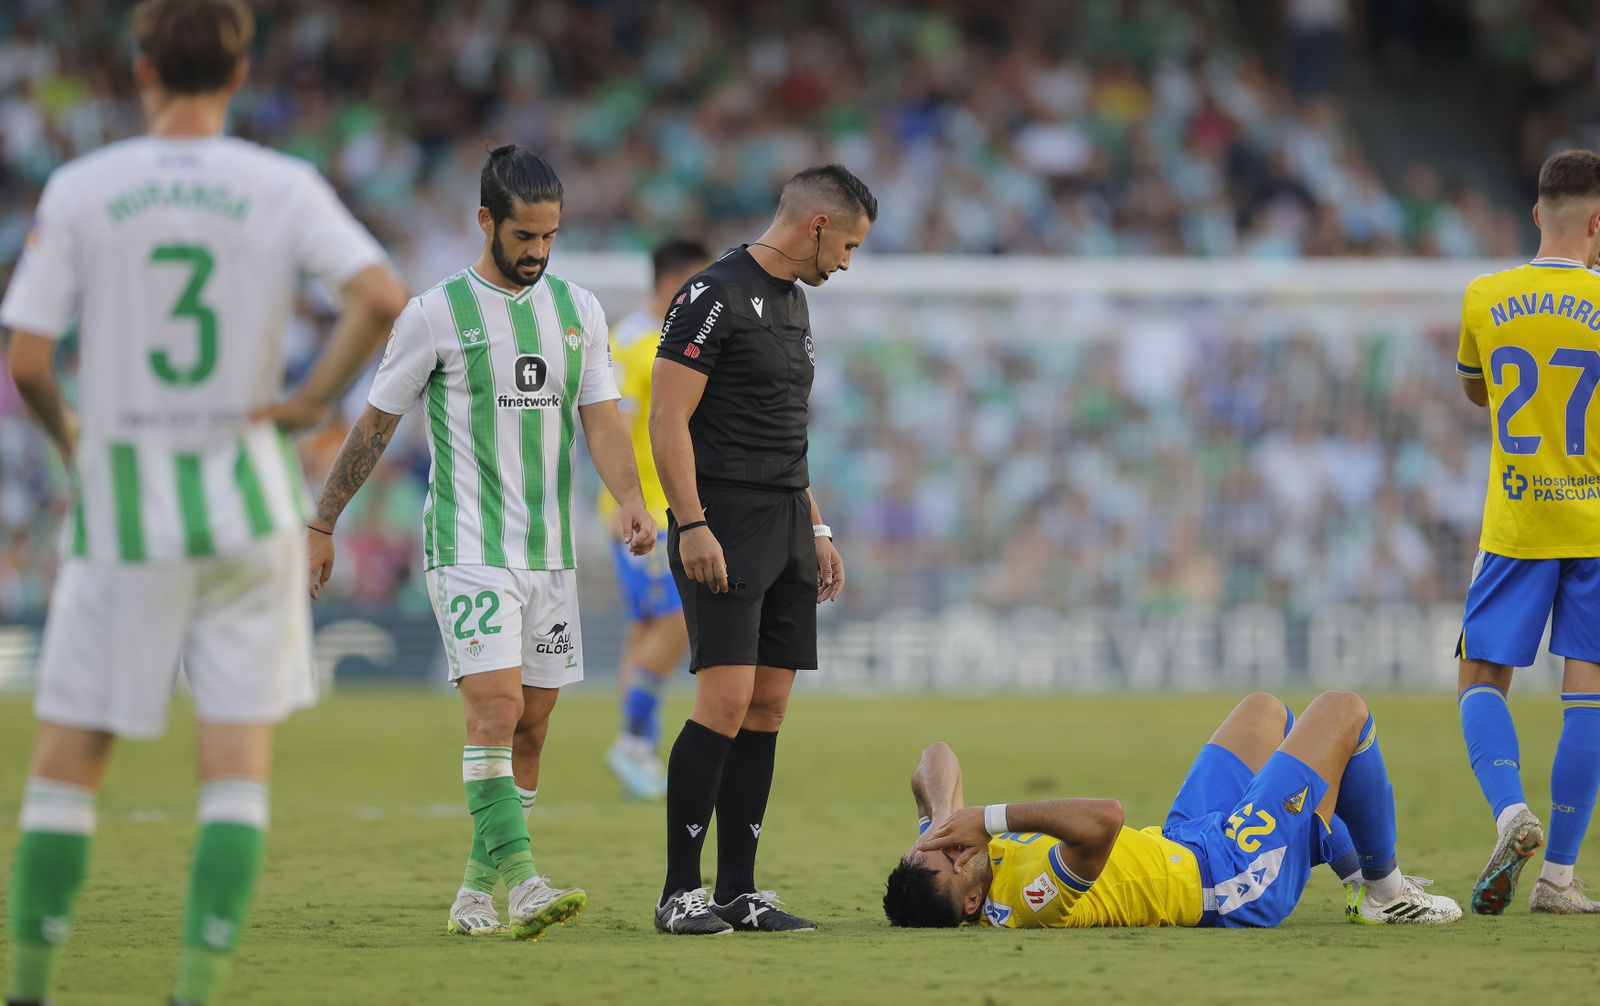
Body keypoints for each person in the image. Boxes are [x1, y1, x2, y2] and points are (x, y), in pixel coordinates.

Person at [0, 1, 408, 1002]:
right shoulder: (280, 185)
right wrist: (312, 397)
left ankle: (32, 986)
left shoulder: (87, 187)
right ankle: (195, 988)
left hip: (127, 500)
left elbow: (30, 357)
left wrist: (71, 433)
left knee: (70, 759)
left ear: (142, 67)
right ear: (239, 71)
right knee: (234, 760)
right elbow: (382, 296)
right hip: (250, 500)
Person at [304, 145, 656, 941]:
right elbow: (374, 426)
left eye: (550, 237)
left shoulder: (580, 311)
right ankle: (526, 885)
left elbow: (601, 418)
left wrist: (629, 498)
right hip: (466, 547)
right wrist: (322, 523)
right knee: (494, 711)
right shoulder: (434, 313)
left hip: (550, 554)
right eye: (524, 235)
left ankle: (473, 895)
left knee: (531, 728)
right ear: (485, 221)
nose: (537, 252)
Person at [649, 165, 873, 934]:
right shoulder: (710, 295)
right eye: (847, 245)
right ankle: (680, 891)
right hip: (726, 518)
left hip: (786, 519)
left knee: (769, 709)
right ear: (816, 226)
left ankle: (737, 893)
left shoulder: (795, 301)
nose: (847, 261)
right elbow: (666, 420)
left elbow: (785, 427)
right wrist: (692, 523)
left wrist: (816, 526)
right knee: (725, 700)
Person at [883, 691, 1462, 929]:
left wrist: (937, 819)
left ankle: (1355, 874)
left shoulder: (959, 859)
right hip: (1228, 876)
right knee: (1342, 711)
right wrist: (987, 819)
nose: (949, 847)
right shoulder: (1030, 900)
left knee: (1264, 710)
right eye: (946, 856)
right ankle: (1387, 895)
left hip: (1187, 838)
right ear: (974, 899)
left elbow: (935, 758)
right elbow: (1105, 817)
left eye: (933, 846)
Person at [1454, 148, 1600, 916]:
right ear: (1598, 224)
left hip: (1516, 524)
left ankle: (1513, 815)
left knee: (1480, 681)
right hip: (1596, 524)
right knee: (1591, 696)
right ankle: (1559, 880)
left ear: (1538, 214)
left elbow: (1479, 392)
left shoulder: (1484, 295)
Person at [602, 238, 712, 800]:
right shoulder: (632, 341)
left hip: (663, 505)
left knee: (646, 630)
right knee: (678, 621)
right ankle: (632, 741)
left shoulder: (672, 338)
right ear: (674, 280)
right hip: (643, 510)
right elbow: (611, 425)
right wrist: (630, 504)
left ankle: (636, 750)